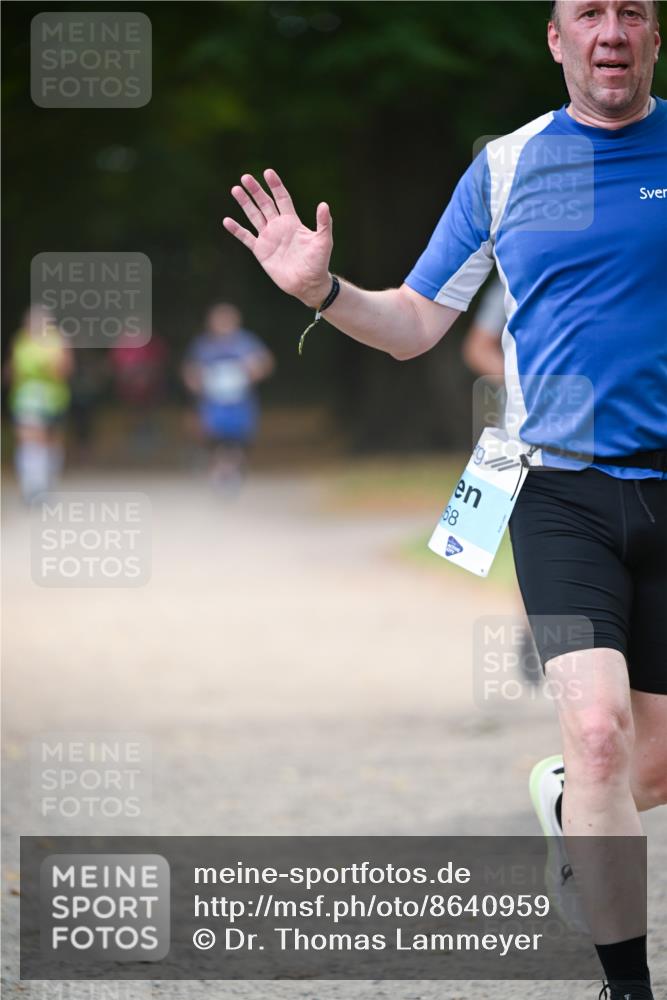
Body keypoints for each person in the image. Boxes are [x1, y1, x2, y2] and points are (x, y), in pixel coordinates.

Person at [223, 2, 666, 996]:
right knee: (597, 732)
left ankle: (566, 799)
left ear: (652, 35)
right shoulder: (506, 170)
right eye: (586, 12)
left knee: (645, 767)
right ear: (554, 40)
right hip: (558, 488)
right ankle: (626, 986)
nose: (609, 30)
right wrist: (325, 292)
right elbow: (419, 320)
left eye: (629, 11)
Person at [463, 277, 543, 688]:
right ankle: (531, 630)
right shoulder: (513, 280)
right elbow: (477, 346)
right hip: (518, 434)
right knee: (529, 542)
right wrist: (527, 387)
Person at [182, 303, 274, 490]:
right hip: (213, 401)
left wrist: (255, 369)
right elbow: (190, 370)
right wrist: (195, 382)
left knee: (237, 438)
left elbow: (265, 363)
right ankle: (221, 470)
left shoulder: (246, 343)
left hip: (240, 401)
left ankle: (230, 470)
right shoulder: (204, 345)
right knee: (215, 436)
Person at [5, 305, 73, 502]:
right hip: (27, 398)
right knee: (30, 440)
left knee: (51, 443)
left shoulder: (58, 341)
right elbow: (12, 369)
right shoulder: (21, 340)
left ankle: (46, 483)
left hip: (54, 399)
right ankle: (32, 487)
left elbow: (65, 369)